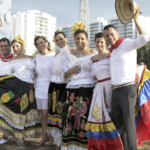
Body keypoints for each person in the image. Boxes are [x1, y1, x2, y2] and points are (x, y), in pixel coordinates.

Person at [103, 6, 148, 150]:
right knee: (118, 122)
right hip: (115, 90)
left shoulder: (127, 44)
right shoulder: (113, 51)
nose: (109, 37)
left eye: (111, 34)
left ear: (117, 33)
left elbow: (144, 39)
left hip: (127, 89)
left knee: (128, 123)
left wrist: (136, 20)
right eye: (106, 36)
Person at [61, 22, 97, 150]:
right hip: (73, 90)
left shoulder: (94, 53)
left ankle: (88, 145)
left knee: (87, 116)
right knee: (72, 116)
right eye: (77, 38)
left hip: (89, 89)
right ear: (74, 40)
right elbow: (63, 75)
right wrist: (70, 71)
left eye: (82, 38)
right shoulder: (69, 56)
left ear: (87, 40)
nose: (80, 41)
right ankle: (72, 145)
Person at [0, 35, 42, 146]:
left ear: (22, 46)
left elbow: (37, 73)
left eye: (17, 46)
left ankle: (22, 136)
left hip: (29, 88)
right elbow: (4, 74)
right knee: (19, 111)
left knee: (27, 111)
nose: (15, 49)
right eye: (13, 47)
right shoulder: (12, 61)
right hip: (16, 87)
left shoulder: (31, 58)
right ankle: (19, 139)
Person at [85, 32, 124, 150]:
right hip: (98, 89)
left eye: (102, 41)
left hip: (110, 87)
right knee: (98, 116)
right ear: (94, 43)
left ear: (105, 42)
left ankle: (117, 144)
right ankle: (101, 144)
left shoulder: (111, 54)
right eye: (97, 42)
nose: (99, 44)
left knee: (112, 114)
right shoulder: (91, 59)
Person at [47, 29, 76, 150]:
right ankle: (58, 140)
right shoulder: (56, 54)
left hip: (64, 85)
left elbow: (71, 69)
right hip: (53, 85)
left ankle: (64, 141)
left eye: (61, 39)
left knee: (62, 112)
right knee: (54, 112)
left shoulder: (72, 52)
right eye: (57, 40)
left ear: (66, 39)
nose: (59, 41)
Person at [34, 36, 55, 145]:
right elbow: (35, 73)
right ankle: (44, 136)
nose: (40, 45)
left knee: (48, 113)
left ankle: (51, 137)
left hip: (49, 86)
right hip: (39, 87)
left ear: (46, 42)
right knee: (42, 114)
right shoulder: (37, 57)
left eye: (42, 42)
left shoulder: (54, 55)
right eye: (37, 44)